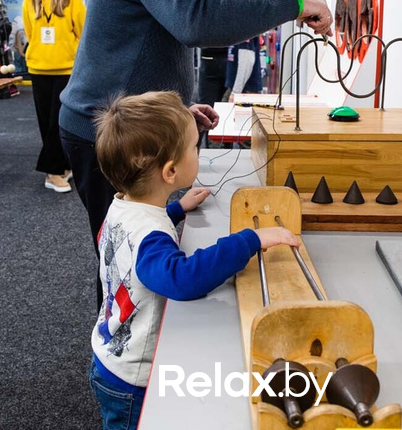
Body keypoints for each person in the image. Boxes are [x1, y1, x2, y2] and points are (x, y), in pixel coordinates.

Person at [59, 0, 332, 309]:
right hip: (105, 133)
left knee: (137, 248)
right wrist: (296, 3)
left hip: (128, 125)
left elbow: (156, 38)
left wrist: (179, 111)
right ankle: (119, 358)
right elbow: (197, 19)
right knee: (125, 260)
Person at [90, 91, 300, 430]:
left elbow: (136, 242)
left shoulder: (120, 206)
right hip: (131, 380)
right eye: (194, 147)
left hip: (108, 354)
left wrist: (175, 209)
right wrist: (250, 240)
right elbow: (182, 278)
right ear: (171, 171)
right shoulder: (150, 238)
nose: (198, 152)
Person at [22, 0, 86, 193]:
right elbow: (30, 32)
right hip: (38, 68)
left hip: (66, 69)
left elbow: (83, 31)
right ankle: (60, 166)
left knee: (57, 122)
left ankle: (53, 172)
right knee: (45, 121)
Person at [196, 0, 235, 147]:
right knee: (227, 112)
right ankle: (227, 150)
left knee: (204, 113)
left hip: (208, 61)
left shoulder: (205, 4)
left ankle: (197, 150)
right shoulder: (231, 3)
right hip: (229, 61)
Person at [223, 0, 264, 99]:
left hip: (245, 91)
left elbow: (246, 62)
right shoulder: (242, 25)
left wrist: (235, 93)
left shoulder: (244, 27)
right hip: (241, 89)